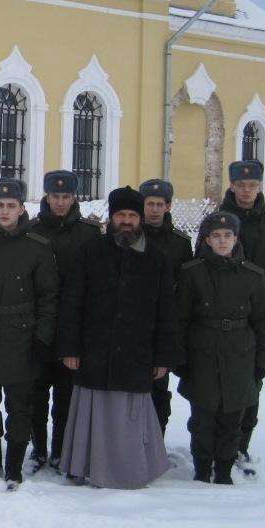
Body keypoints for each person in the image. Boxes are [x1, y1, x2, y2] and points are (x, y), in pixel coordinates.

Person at [58, 186, 177, 489]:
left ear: (139, 220)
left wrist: (163, 357)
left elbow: (167, 311)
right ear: (111, 218)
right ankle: (86, 466)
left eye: (132, 215)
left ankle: (130, 470)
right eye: (120, 215)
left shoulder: (157, 259)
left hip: (136, 353)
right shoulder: (90, 251)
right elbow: (72, 302)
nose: (126, 221)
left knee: (129, 417)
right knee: (93, 413)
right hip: (94, 349)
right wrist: (70, 347)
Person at [0, 178, 58, 490]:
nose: (5, 211)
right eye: (0, 205)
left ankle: (14, 465)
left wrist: (42, 339)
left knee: (20, 406)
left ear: (22, 209)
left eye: (11, 206)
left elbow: (48, 298)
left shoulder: (37, 248)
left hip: (22, 337)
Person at [176, 211, 265, 484]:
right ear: (207, 240)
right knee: (203, 418)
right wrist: (181, 360)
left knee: (232, 417)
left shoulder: (252, 275)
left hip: (240, 355)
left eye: (228, 236)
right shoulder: (192, 273)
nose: (222, 241)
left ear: (236, 238)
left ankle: (223, 470)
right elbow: (181, 320)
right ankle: (201, 468)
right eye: (216, 236)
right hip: (203, 353)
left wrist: (262, 363)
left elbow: (263, 325)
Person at [28, 170, 102, 472]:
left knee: (67, 395)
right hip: (37, 326)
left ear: (74, 198)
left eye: (66, 197)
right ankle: (38, 449)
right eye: (55, 196)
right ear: (46, 196)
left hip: (74, 328)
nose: (60, 202)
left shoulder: (90, 234)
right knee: (35, 394)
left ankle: (61, 449)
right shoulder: (31, 230)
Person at [220, 160, 265, 466]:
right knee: (222, 379)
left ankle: (242, 442)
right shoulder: (218, 222)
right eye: (241, 185)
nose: (246, 190)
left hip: (263, 313)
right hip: (225, 313)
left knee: (253, 379)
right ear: (232, 186)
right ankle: (220, 440)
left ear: (260, 186)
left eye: (252, 185)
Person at [139, 178, 194, 435]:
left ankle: (156, 439)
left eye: (159, 204)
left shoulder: (180, 243)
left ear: (168, 206)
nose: (153, 209)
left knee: (159, 388)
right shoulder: (128, 236)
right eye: (149, 204)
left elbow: (184, 288)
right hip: (133, 325)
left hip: (163, 325)